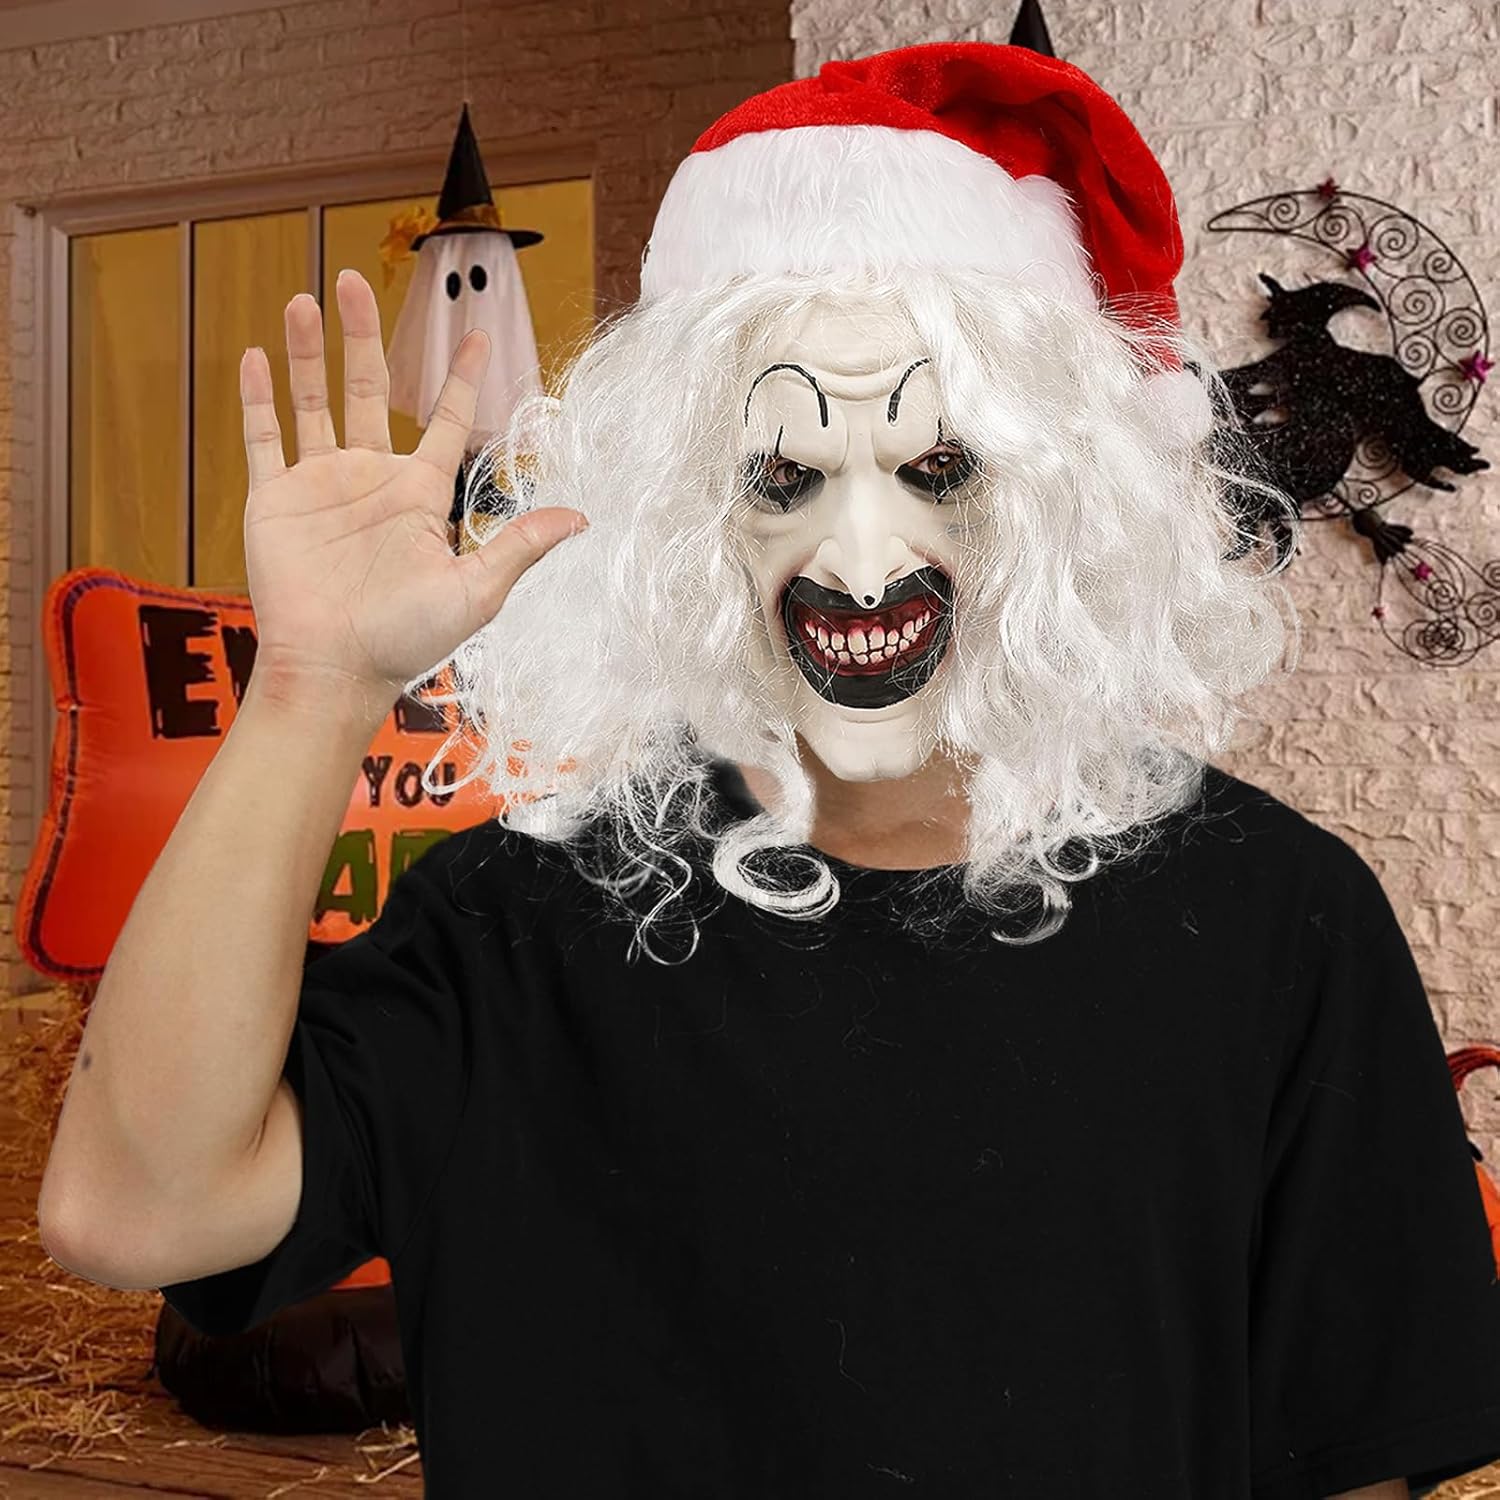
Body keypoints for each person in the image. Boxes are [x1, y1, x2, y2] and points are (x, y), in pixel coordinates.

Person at [36, 42, 1500, 1500]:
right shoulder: (513, 924)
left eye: (938, 469)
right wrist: (312, 691)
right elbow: (131, 1213)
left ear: (1064, 504)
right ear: (681, 519)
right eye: (781, 477)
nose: (860, 560)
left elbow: (1353, 1459)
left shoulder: (1279, 922)